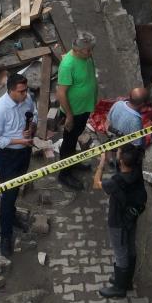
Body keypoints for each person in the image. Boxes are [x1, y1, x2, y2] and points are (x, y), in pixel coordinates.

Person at [0, 73, 36, 258]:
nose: (25, 94)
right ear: (10, 91)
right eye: (21, 92)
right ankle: (5, 235)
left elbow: (35, 115)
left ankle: (12, 214)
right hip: (8, 156)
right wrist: (19, 141)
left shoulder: (27, 99)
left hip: (24, 153)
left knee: (14, 191)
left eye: (26, 90)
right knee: (8, 196)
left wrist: (31, 128)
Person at [97, 144, 147, 298]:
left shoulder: (116, 182)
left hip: (118, 221)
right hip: (131, 216)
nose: (116, 152)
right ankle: (126, 281)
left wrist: (101, 163)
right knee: (130, 247)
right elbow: (124, 167)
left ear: (122, 161)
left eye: (118, 152)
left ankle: (119, 288)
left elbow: (96, 183)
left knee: (120, 253)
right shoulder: (136, 172)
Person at [55, 31, 99, 190]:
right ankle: (64, 174)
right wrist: (69, 116)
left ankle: (73, 162)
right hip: (73, 112)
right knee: (68, 142)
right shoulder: (68, 65)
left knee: (74, 139)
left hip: (84, 108)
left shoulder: (85, 57)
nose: (91, 53)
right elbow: (61, 93)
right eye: (88, 50)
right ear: (77, 50)